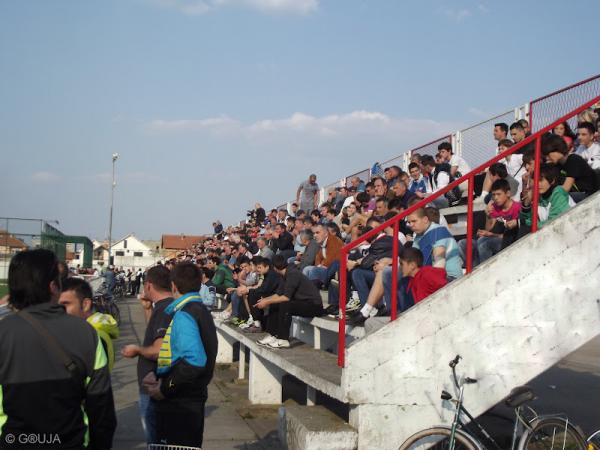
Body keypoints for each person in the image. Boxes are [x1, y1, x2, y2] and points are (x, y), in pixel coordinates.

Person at [0, 249, 116, 449]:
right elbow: (101, 409)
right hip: (70, 442)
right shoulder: (87, 333)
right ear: (53, 286)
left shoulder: (4, 331)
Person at [144, 262, 217, 449]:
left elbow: (194, 362)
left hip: (180, 403)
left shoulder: (185, 314)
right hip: (192, 398)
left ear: (173, 285)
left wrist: (165, 387)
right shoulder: (200, 310)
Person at [121, 265, 174, 444]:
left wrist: (137, 350)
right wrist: (147, 308)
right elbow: (156, 334)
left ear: (149, 285)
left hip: (153, 385)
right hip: (154, 384)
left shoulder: (164, 309)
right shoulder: (163, 307)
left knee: (156, 440)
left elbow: (159, 349)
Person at [255, 255, 324, 349]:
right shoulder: (285, 274)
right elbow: (279, 294)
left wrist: (267, 302)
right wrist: (266, 300)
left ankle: (283, 339)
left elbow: (286, 297)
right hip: (303, 303)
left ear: (275, 268)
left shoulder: (293, 273)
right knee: (274, 304)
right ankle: (272, 335)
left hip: (314, 306)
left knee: (285, 304)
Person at [59, 277, 120, 372]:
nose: (59, 310)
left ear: (85, 304)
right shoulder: (93, 330)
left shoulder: (93, 336)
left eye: (65, 304)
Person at [458, 179, 521, 267]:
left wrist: (491, 235)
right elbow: (489, 229)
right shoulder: (495, 207)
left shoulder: (517, 208)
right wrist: (488, 216)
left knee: (484, 243)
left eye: (499, 194)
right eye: (494, 195)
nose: (495, 198)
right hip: (494, 238)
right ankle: (473, 270)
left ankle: (482, 271)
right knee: (463, 243)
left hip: (510, 241)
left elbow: (515, 235)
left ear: (508, 194)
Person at [519, 163, 575, 237]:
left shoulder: (558, 192)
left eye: (541, 180)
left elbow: (553, 222)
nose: (538, 184)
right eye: (536, 181)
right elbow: (527, 221)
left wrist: (533, 225)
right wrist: (526, 203)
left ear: (552, 181)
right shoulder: (538, 198)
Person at [542, 133, 598, 202]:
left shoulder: (573, 160)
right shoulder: (558, 165)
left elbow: (566, 188)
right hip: (577, 194)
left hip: (590, 195)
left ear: (557, 150)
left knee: (562, 198)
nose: (547, 158)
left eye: (548, 154)